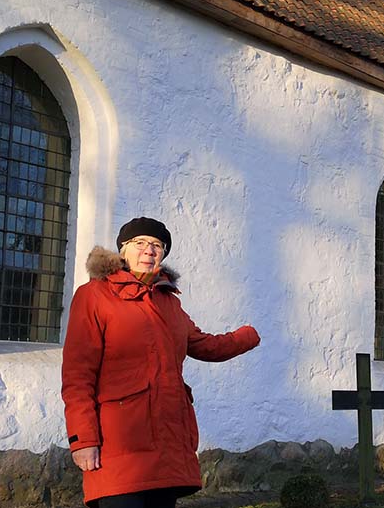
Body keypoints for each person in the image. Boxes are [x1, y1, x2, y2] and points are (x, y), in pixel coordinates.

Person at [61, 217, 261, 508]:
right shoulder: (94, 296)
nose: (149, 250)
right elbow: (78, 375)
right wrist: (83, 440)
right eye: (139, 243)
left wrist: (249, 335)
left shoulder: (169, 302)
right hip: (118, 444)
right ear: (123, 251)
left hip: (166, 447)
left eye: (157, 245)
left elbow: (205, 345)